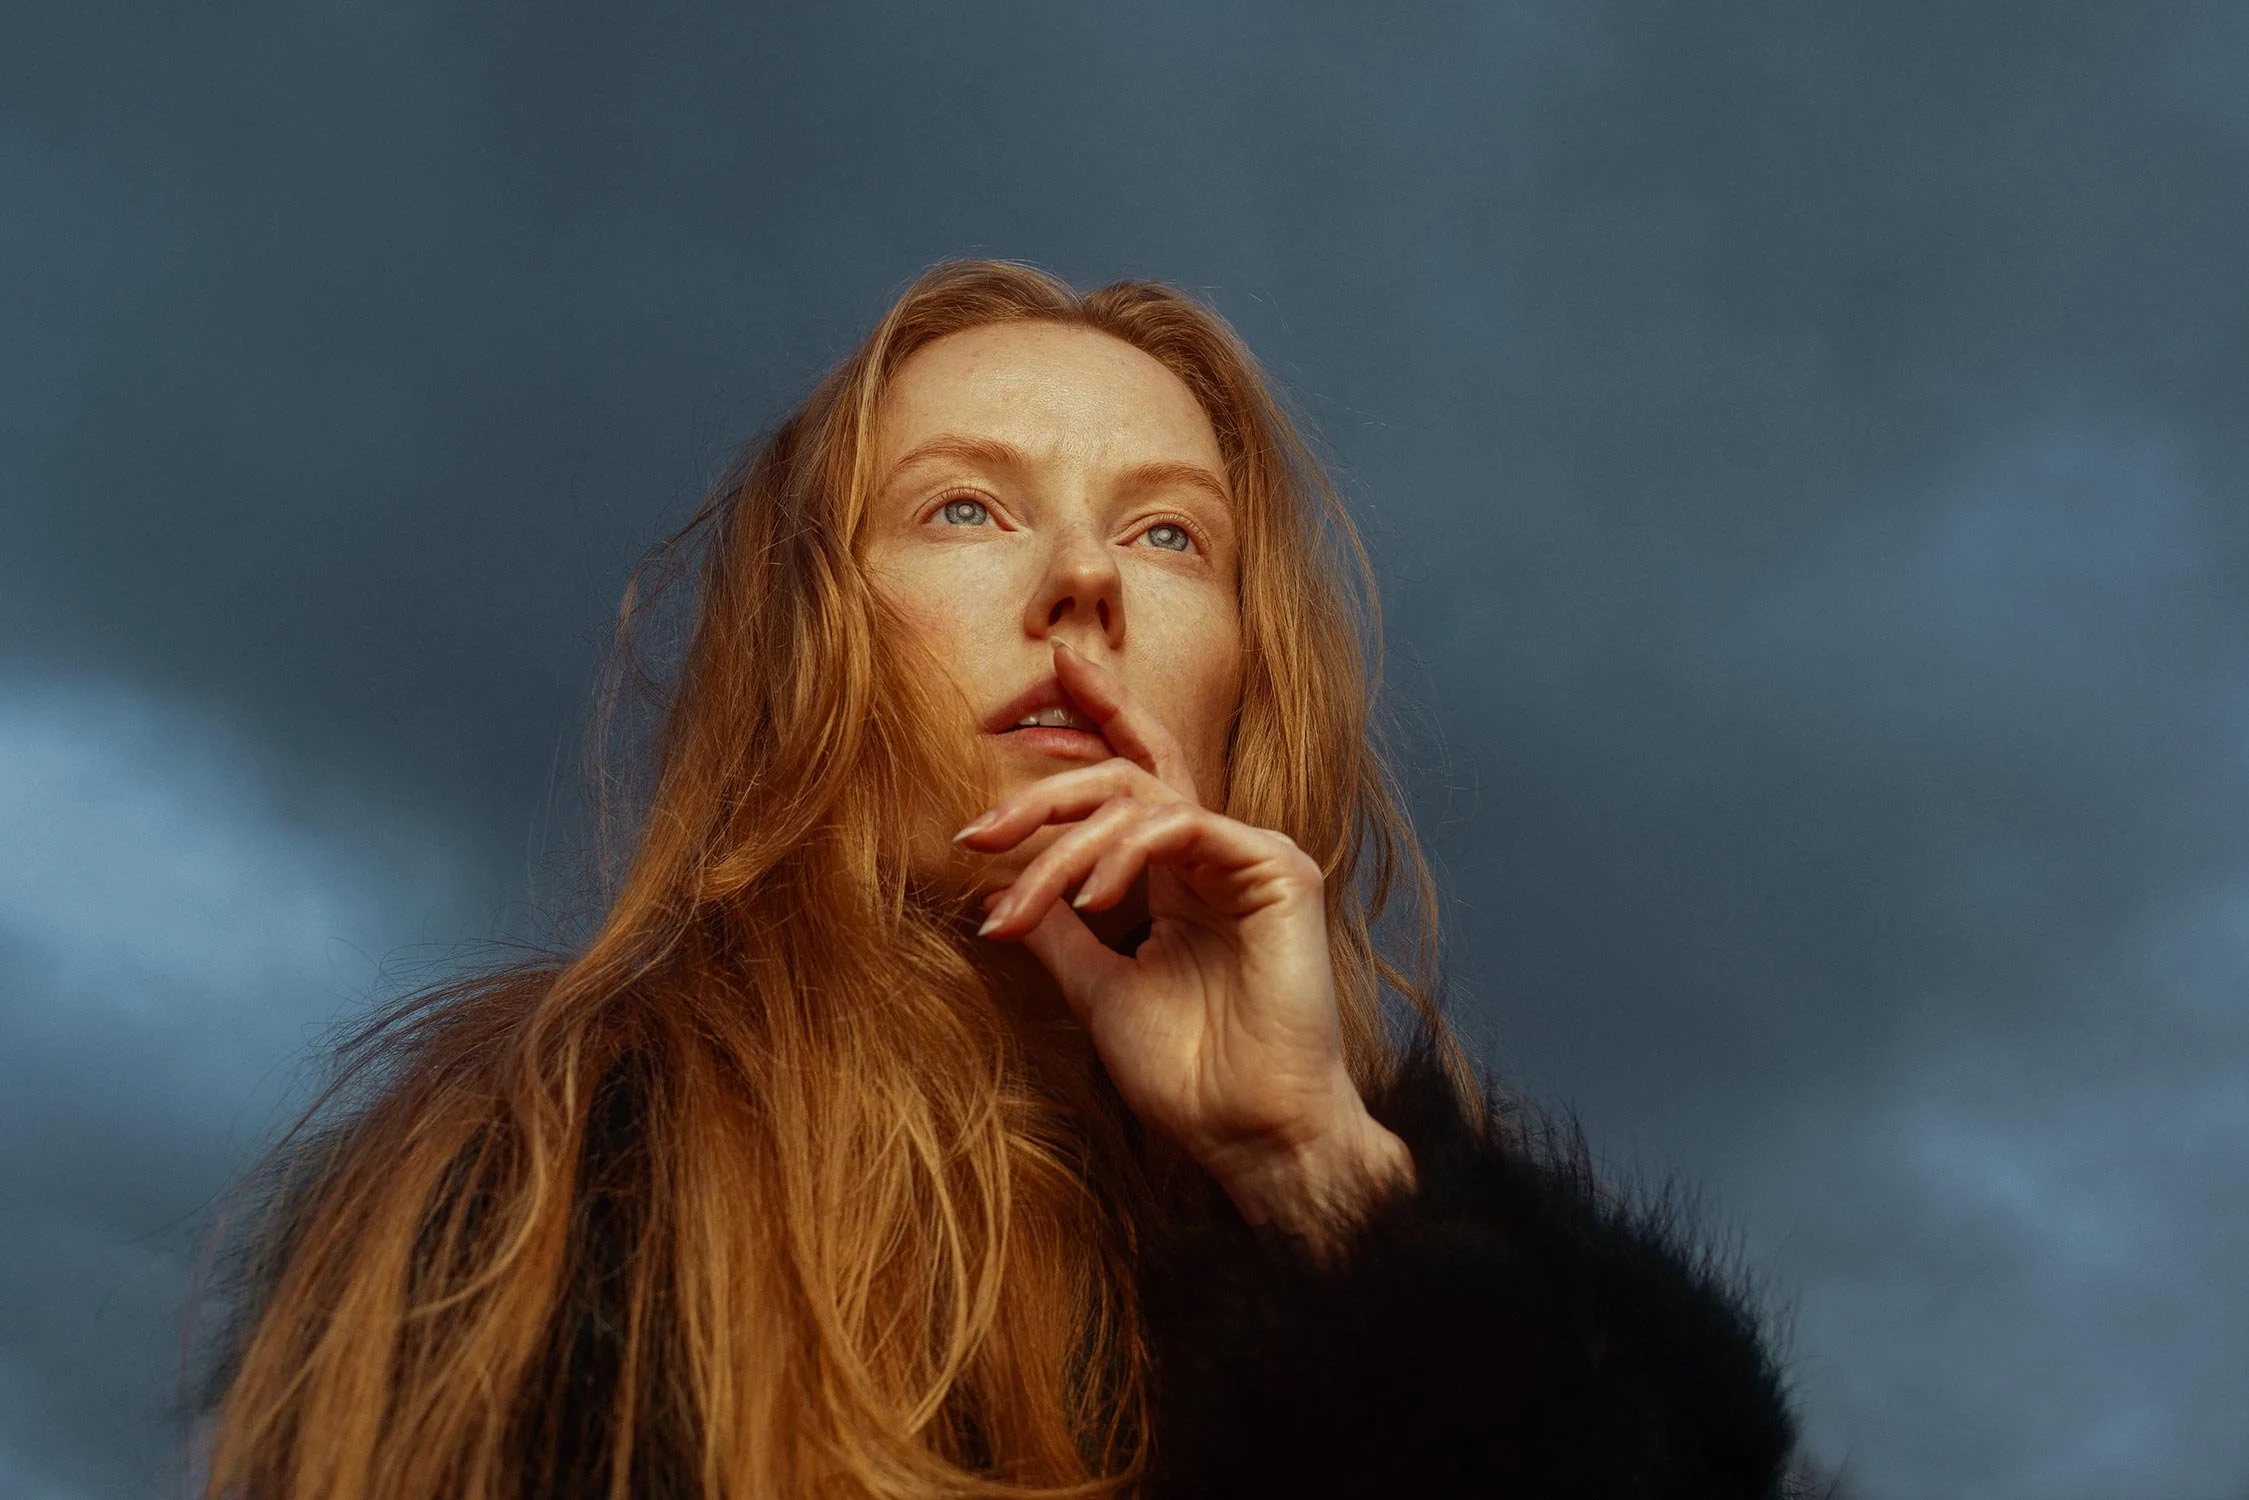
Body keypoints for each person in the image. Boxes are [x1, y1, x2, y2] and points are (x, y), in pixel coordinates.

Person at [200, 260, 1802, 1497]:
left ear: (1246, 676)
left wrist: (1315, 1172)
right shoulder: (534, 1198)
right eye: (962, 508)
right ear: (810, 639)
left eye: (1172, 537)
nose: (1088, 580)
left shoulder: (1356, 1229)